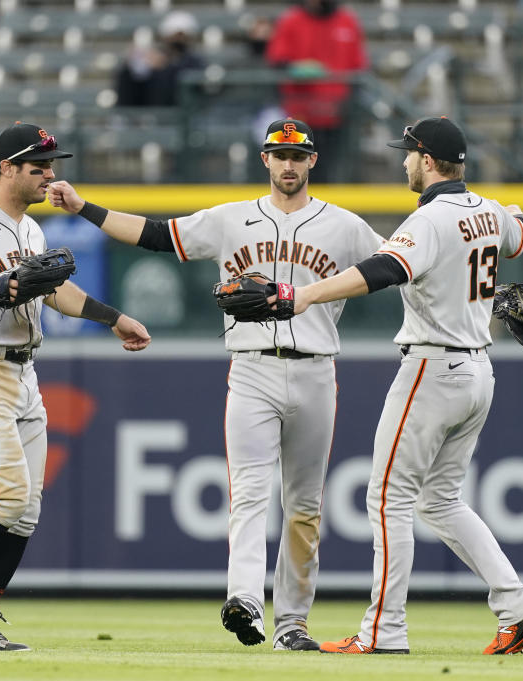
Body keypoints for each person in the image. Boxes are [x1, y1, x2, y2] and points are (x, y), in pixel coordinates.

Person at [47, 118, 384, 651]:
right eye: (279, 154)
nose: (289, 164)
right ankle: (245, 599)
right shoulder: (232, 219)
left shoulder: (344, 226)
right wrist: (83, 207)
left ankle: (292, 625)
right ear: (265, 160)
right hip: (250, 368)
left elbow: (398, 264)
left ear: (313, 161)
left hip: (317, 369)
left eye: (298, 155)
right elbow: (157, 235)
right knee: (248, 494)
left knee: (304, 507)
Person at [276, 116, 523, 655]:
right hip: (478, 371)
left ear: (427, 161)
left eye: (408, 154)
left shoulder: (429, 219)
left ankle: (384, 633)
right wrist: (511, 212)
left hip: (433, 367)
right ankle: (516, 602)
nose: (403, 161)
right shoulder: (488, 211)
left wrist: (305, 295)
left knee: (386, 498)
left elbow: (381, 270)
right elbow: (522, 232)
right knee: (440, 500)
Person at [0, 121, 151, 652]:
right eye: (38, 166)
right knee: (11, 493)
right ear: (6, 168)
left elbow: (55, 291)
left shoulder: (32, 229)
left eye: (51, 165)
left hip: (24, 372)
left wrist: (112, 318)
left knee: (28, 507)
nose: (50, 175)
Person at [265, 0, 367, 182]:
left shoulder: (347, 21)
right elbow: (278, 61)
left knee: (335, 173)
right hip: (299, 117)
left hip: (338, 116)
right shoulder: (291, 20)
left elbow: (358, 67)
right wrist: (295, 68)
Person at [114, 10, 205, 107]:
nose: (179, 39)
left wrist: (166, 65)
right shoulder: (153, 57)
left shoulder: (195, 61)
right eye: (175, 35)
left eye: (182, 36)